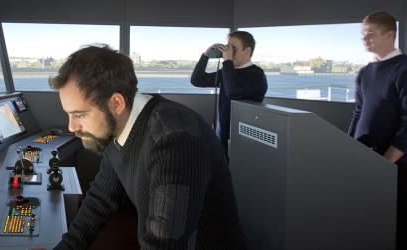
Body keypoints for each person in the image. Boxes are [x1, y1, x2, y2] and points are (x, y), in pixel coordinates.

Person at [51, 46, 246, 249]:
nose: (71, 126)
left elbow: (164, 245)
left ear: (116, 103)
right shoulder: (117, 130)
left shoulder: (173, 140)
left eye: (79, 114)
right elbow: (100, 199)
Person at [347, 11, 407, 250]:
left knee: (395, 227)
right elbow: (358, 113)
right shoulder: (366, 72)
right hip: (365, 160)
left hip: (394, 166)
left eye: (370, 34)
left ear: (390, 34)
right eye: (363, 34)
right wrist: (348, 148)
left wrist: (386, 163)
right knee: (366, 224)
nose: (365, 39)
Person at [190, 31, 268, 154]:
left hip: (243, 138)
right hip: (221, 134)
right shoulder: (227, 72)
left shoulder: (256, 75)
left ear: (247, 50)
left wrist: (227, 62)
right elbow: (197, 80)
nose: (228, 52)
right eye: (227, 48)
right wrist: (205, 55)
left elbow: (232, 92)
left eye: (233, 49)